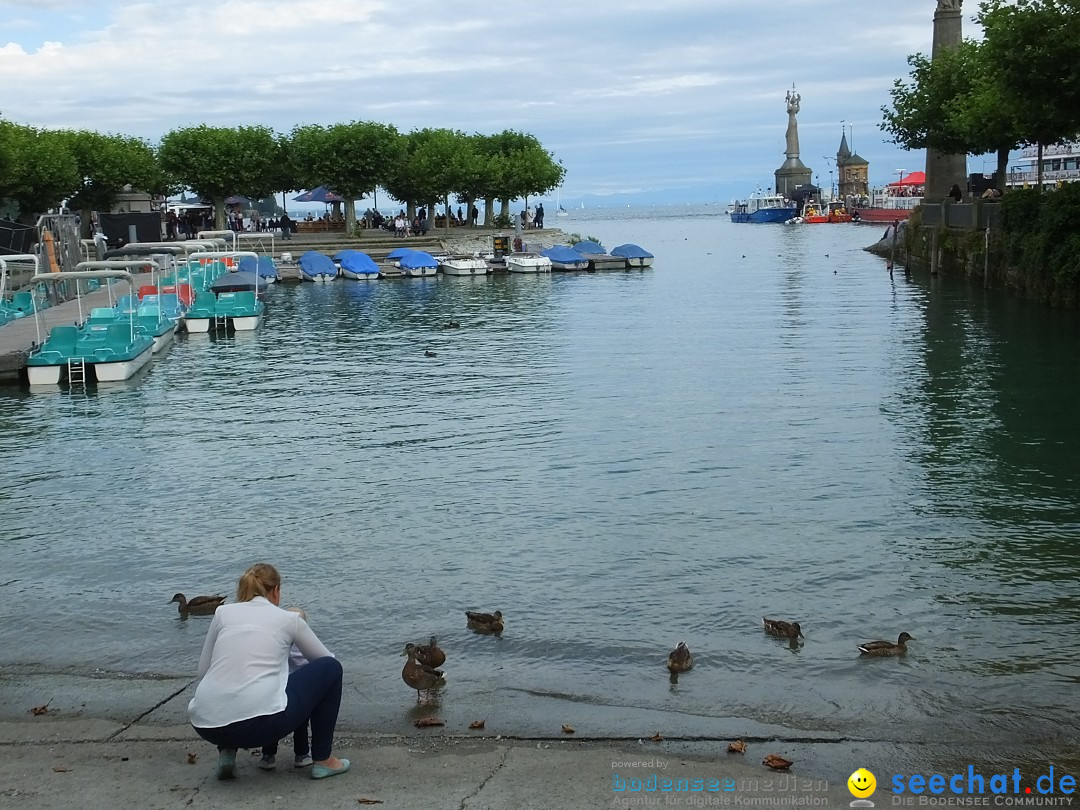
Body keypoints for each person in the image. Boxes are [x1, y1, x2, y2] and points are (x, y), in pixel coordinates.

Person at [187, 563, 348, 781]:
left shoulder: (222, 613)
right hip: (262, 728)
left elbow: (203, 672)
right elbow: (327, 663)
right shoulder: (289, 620)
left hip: (206, 725)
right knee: (332, 669)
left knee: (227, 677)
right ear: (276, 591)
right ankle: (323, 760)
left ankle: (226, 752)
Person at [259, 607, 318, 771]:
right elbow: (315, 662)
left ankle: (268, 756)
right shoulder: (304, 646)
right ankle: (302, 754)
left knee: (273, 720)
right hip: (298, 690)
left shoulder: (276, 643)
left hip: (276, 689)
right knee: (301, 722)